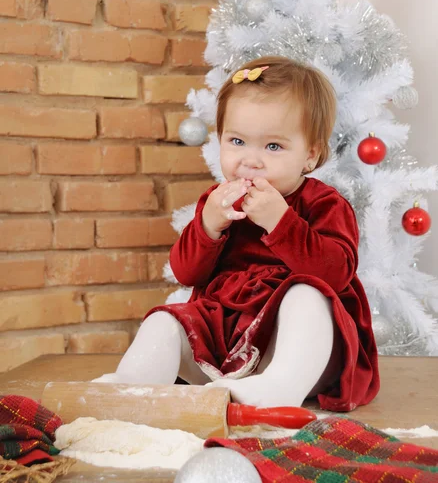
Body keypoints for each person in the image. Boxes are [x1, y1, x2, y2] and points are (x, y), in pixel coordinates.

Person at [93, 56, 380, 412]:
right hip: (223, 340)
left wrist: (281, 221)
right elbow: (186, 273)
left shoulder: (323, 203)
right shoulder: (218, 202)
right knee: (165, 319)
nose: (251, 160)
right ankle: (132, 386)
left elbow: (336, 275)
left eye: (273, 147)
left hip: (294, 351)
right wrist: (209, 226)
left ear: (310, 155)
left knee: (306, 295)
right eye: (237, 141)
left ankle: (280, 387)